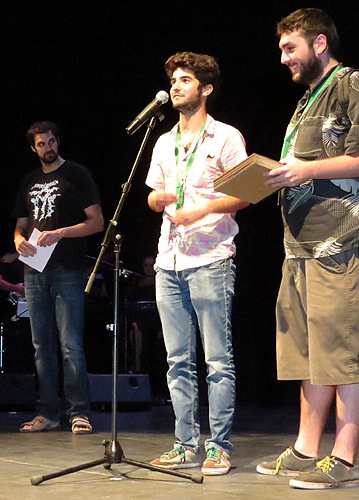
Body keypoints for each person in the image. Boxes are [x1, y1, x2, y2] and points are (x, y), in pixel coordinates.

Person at [255, 8, 359, 489]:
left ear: (319, 43)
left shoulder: (354, 83)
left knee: (344, 349)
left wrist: (305, 170)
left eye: (289, 47)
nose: (283, 58)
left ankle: (345, 459)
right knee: (311, 352)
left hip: (340, 240)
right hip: (301, 245)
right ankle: (305, 449)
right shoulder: (306, 100)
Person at [146, 51, 249, 476]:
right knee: (177, 361)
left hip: (210, 258)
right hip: (169, 260)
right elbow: (152, 195)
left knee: (217, 361)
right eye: (173, 80)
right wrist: (158, 200)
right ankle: (185, 444)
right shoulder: (163, 141)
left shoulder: (225, 137)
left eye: (185, 80)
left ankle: (218, 446)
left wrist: (202, 208)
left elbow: (245, 193)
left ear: (205, 89)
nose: (175, 86)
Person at [14, 120, 104, 435]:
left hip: (68, 268)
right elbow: (20, 225)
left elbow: (97, 222)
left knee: (71, 344)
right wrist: (17, 241)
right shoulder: (28, 180)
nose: (47, 148)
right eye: (41, 144)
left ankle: (79, 412)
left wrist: (61, 232)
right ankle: (48, 412)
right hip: (34, 270)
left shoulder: (76, 174)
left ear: (57, 142)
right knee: (41, 345)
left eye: (51, 141)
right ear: (33, 148)